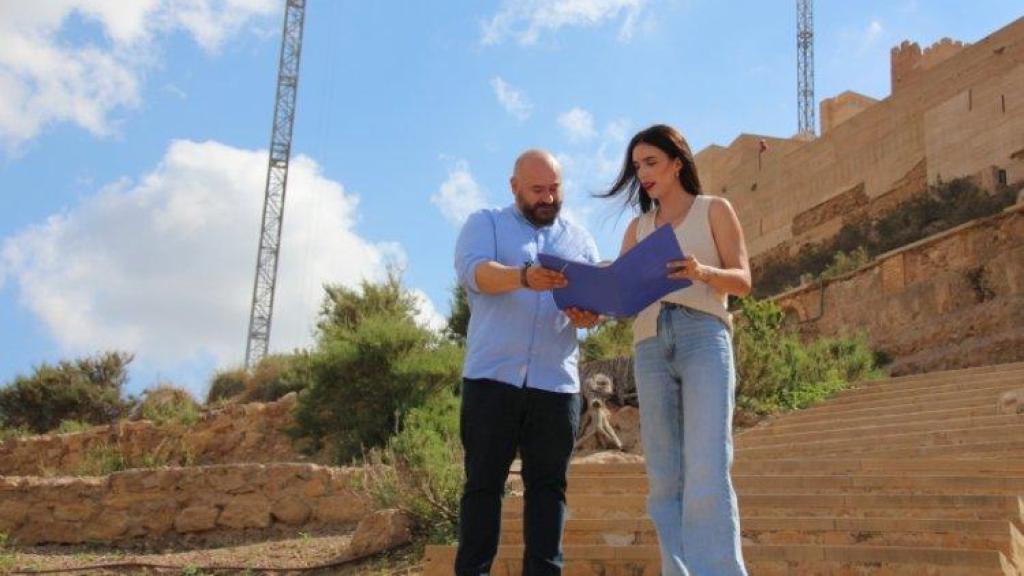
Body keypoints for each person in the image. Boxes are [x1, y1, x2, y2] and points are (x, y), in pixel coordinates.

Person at [599, 124, 752, 575]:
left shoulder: (713, 210)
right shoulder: (638, 227)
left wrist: (702, 271)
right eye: (636, 166)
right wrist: (592, 296)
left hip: (702, 334)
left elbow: (743, 280)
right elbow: (622, 297)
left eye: (650, 162)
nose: (642, 174)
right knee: (663, 478)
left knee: (707, 466)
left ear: (677, 163)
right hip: (648, 344)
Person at [453, 149, 601, 576]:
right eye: (537, 189)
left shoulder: (581, 239)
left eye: (554, 188)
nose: (548, 198)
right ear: (514, 186)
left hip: (556, 386)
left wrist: (589, 314)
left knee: (549, 491)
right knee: (482, 487)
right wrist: (523, 277)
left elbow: (591, 307)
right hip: (491, 379)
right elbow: (474, 272)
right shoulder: (485, 223)